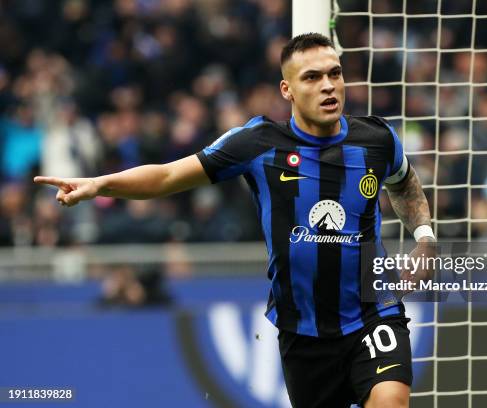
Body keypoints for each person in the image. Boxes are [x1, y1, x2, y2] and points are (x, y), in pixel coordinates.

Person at [34, 33, 435, 408]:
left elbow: (405, 185)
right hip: (303, 332)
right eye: (312, 77)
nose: (328, 85)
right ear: (287, 90)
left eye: (335, 74)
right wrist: (100, 184)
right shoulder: (257, 143)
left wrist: (424, 236)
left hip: (372, 313)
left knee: (390, 400)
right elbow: (169, 176)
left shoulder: (377, 139)